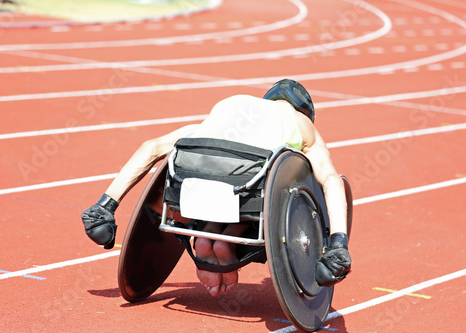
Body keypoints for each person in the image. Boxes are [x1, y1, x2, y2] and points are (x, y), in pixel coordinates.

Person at [81, 79, 352, 297]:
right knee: (262, 180)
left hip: (188, 186)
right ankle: (221, 242)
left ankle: (210, 239)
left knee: (223, 170)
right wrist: (338, 244)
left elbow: (151, 148)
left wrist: (106, 205)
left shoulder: (231, 106)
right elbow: (330, 179)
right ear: (306, 112)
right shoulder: (303, 124)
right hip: (246, 194)